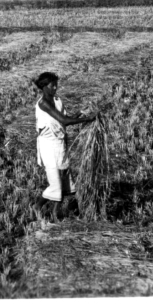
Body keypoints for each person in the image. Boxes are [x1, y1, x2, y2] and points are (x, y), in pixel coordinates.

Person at [32, 71, 95, 216]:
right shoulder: (44, 104)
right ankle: (41, 209)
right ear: (44, 87)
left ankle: (52, 212)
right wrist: (88, 119)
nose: (55, 88)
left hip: (59, 143)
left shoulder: (57, 100)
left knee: (63, 176)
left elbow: (67, 118)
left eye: (56, 85)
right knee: (55, 182)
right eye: (52, 86)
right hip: (48, 145)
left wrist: (81, 113)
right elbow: (65, 121)